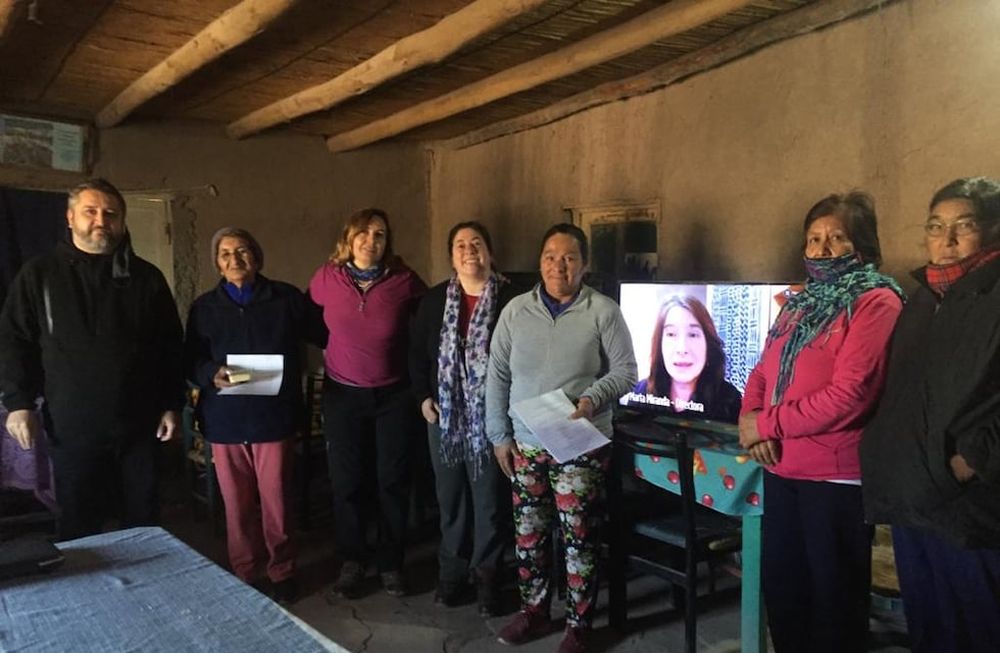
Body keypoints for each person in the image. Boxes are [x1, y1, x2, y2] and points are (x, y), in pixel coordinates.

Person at [738, 192, 904, 653]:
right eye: (814, 239)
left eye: (836, 238)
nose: (823, 248)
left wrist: (768, 425)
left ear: (863, 247)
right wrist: (750, 419)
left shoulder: (876, 302)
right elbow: (762, 370)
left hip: (834, 477)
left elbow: (851, 395)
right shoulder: (799, 304)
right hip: (781, 469)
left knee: (833, 603)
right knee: (785, 593)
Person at [0, 178, 185, 540]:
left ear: (121, 221)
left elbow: (169, 347)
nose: (101, 220)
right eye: (91, 211)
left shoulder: (147, 278)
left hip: (140, 427)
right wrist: (18, 403)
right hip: (73, 428)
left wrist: (171, 404)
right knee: (80, 527)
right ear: (70, 218)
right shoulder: (38, 275)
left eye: (111, 213)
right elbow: (13, 340)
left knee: (143, 523)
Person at [860, 177, 1000, 653]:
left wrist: (968, 463)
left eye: (965, 226)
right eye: (936, 227)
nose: (948, 241)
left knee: (979, 631)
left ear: (993, 231)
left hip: (974, 509)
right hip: (915, 502)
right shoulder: (923, 300)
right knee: (930, 629)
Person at [486, 223, 636, 653]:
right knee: (529, 534)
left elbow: (627, 370)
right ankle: (534, 613)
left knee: (579, 536)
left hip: (579, 442)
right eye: (551, 256)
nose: (559, 265)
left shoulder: (602, 311)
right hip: (526, 443)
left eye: (569, 257)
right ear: (540, 262)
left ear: (584, 265)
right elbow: (497, 374)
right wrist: (499, 434)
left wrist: (592, 398)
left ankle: (579, 624)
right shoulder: (516, 311)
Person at [184, 227, 324, 604]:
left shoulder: (286, 299)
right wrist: (208, 371)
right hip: (225, 420)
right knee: (237, 504)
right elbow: (190, 359)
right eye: (226, 253)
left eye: (243, 251)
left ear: (257, 257)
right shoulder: (204, 307)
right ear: (217, 263)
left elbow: (327, 331)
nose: (235, 259)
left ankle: (283, 569)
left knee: (278, 500)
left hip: (272, 417)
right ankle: (246, 571)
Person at [309, 208, 425, 599]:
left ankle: (391, 563)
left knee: (392, 481)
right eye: (363, 233)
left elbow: (433, 317)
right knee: (348, 481)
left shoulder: (405, 282)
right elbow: (308, 322)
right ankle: (353, 560)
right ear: (349, 238)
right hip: (343, 395)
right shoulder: (326, 279)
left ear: (386, 242)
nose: (370, 240)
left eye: (379, 234)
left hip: (393, 396)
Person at [410, 221, 518, 616]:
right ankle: (452, 571)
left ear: (490, 251)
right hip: (444, 417)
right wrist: (423, 397)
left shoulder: (513, 298)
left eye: (476, 243)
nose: (469, 250)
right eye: (460, 245)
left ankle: (487, 574)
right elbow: (417, 356)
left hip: (492, 418)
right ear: (451, 255)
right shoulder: (435, 299)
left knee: (488, 498)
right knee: (450, 496)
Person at [630, 294, 742, 422]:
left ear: (708, 344)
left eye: (693, 335)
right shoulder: (640, 393)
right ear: (659, 344)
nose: (682, 349)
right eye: (671, 334)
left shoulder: (730, 400)